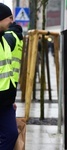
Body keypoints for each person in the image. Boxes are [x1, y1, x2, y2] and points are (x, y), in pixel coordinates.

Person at [0, 3, 19, 149]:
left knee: (11, 134)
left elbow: (8, 73)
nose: (12, 21)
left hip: (6, 103)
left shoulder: (4, 41)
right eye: (9, 18)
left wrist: (11, 99)